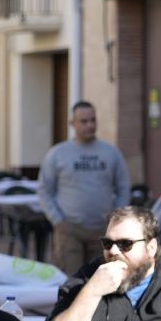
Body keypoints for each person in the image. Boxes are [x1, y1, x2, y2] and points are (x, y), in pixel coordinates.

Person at [38, 101, 131, 274]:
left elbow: (123, 188)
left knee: (102, 281)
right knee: (71, 282)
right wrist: (58, 221)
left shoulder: (111, 152)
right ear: (72, 123)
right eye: (84, 121)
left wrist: (116, 219)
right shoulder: (58, 154)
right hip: (70, 230)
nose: (90, 125)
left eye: (93, 120)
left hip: (103, 231)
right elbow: (44, 190)